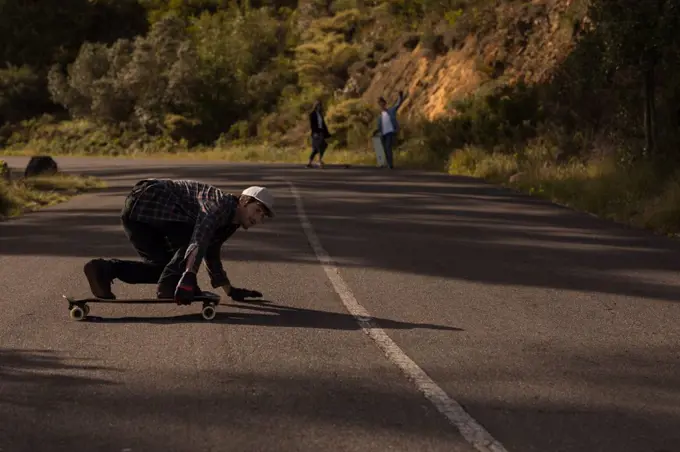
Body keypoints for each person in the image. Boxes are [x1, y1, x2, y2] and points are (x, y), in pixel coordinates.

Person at [82, 178, 275, 305]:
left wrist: (230, 290)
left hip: (137, 215)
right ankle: (171, 284)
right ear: (243, 201)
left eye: (263, 216)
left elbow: (211, 252)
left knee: (162, 269)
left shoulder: (230, 223)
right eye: (257, 210)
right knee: (190, 244)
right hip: (151, 200)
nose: (258, 219)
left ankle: (103, 269)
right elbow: (200, 237)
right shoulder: (221, 205)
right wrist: (189, 275)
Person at [375, 90, 407, 169]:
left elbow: (398, 104)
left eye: (382, 103)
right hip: (383, 134)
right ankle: (385, 163)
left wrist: (400, 96)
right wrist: (376, 131)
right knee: (384, 148)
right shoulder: (379, 116)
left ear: (385, 103)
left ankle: (390, 164)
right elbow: (379, 126)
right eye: (379, 104)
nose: (381, 105)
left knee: (388, 147)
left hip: (390, 132)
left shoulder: (391, 111)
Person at [307, 100, 331, 168]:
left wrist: (327, 134)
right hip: (316, 132)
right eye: (318, 105)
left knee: (316, 148)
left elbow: (323, 124)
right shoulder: (312, 114)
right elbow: (312, 125)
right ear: (315, 106)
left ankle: (309, 163)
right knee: (321, 146)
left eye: (320, 105)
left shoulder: (320, 114)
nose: (319, 107)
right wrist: (314, 133)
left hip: (321, 132)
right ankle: (319, 161)